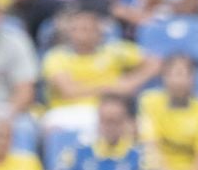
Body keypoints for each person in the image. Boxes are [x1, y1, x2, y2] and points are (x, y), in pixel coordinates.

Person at [40, 7, 156, 138]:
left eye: (86, 29)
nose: (80, 34)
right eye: (74, 29)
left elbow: (154, 63)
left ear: (98, 32)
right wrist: (111, 88)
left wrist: (130, 82)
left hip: (110, 111)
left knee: (142, 125)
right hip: (68, 111)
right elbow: (69, 91)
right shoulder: (56, 57)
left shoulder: (115, 51)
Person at [137, 53, 198, 170]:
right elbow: (151, 146)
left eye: (185, 75)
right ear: (164, 77)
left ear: (193, 78)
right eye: (175, 74)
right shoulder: (149, 102)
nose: (179, 81)